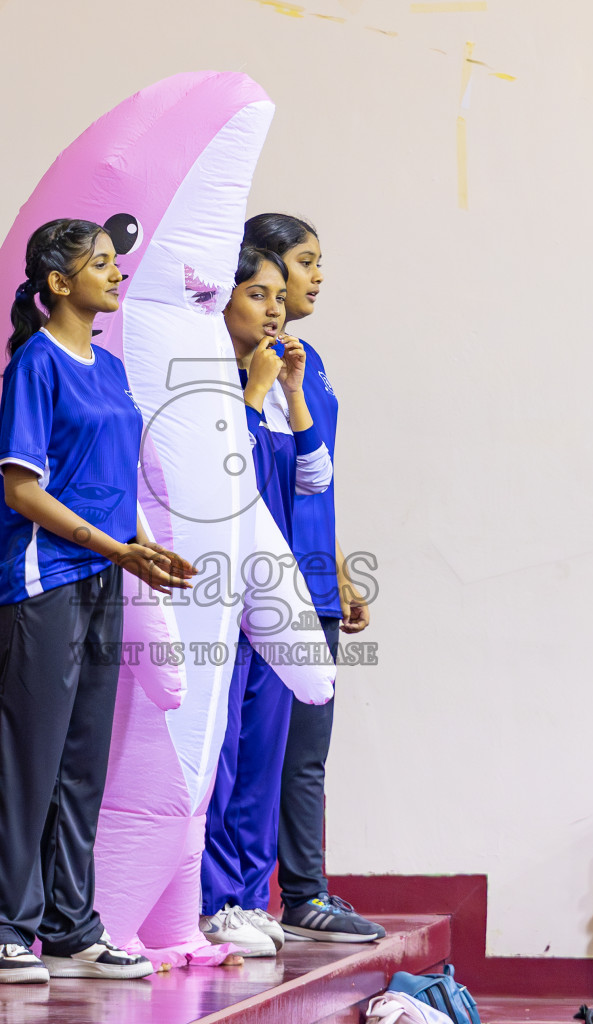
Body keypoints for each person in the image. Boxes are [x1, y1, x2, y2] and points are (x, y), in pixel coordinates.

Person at [0, 217, 196, 984]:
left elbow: (115, 477)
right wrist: (110, 547)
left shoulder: (108, 364)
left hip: (102, 573)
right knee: (30, 757)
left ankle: (70, 926)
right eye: (101, 264)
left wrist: (141, 547)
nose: (116, 274)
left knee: (83, 761)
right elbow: (23, 487)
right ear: (59, 284)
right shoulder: (37, 361)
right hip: (44, 580)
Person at [243, 213, 383, 943]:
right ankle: (248, 896)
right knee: (259, 751)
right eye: (306, 261)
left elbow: (314, 478)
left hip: (318, 581)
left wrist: (340, 569)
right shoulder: (237, 366)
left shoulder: (310, 361)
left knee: (306, 756)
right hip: (269, 589)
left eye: (317, 262)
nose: (317, 275)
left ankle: (305, 894)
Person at [199, 246, 333, 957]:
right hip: (223, 597)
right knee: (220, 755)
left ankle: (251, 896)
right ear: (223, 303)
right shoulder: (208, 385)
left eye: (279, 295)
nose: (275, 307)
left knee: (263, 757)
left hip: (273, 600)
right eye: (258, 294)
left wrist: (290, 393)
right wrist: (252, 393)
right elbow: (223, 477)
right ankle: (212, 898)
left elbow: (314, 478)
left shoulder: (279, 388)